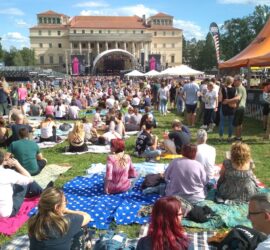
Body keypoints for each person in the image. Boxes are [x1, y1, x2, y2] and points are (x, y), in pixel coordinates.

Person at [0, 150, 42, 218]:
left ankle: (40, 191)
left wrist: (3, 163)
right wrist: (17, 164)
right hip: (6, 213)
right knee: (23, 184)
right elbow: (30, 179)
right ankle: (40, 191)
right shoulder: (8, 173)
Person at [224, 75, 247, 141]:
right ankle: (239, 137)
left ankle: (237, 138)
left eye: (235, 80)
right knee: (240, 123)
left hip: (239, 108)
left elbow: (237, 98)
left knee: (237, 124)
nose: (234, 82)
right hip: (242, 107)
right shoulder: (243, 87)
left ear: (239, 81)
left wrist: (228, 101)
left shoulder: (239, 88)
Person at [218, 76, 237, 142]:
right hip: (232, 107)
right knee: (230, 123)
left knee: (222, 122)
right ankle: (229, 137)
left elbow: (220, 99)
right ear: (232, 82)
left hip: (224, 106)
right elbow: (236, 98)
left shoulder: (222, 88)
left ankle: (221, 137)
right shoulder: (234, 89)